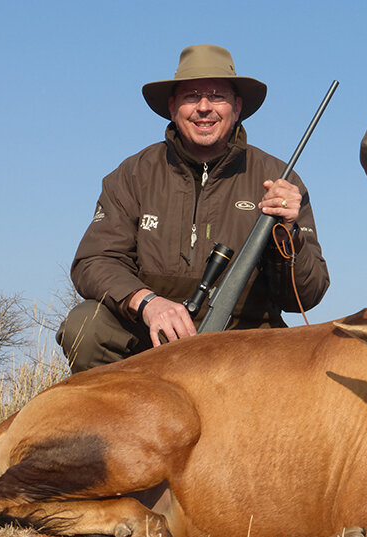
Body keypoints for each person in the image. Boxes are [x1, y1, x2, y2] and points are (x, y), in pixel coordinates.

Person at [56, 44, 330, 373]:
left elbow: (308, 294)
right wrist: (148, 303)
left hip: (243, 346)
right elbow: (94, 261)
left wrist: (290, 234)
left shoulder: (280, 180)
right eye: (191, 96)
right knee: (86, 326)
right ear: (173, 107)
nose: (203, 107)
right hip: (154, 337)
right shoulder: (133, 173)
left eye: (216, 95)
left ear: (237, 106)